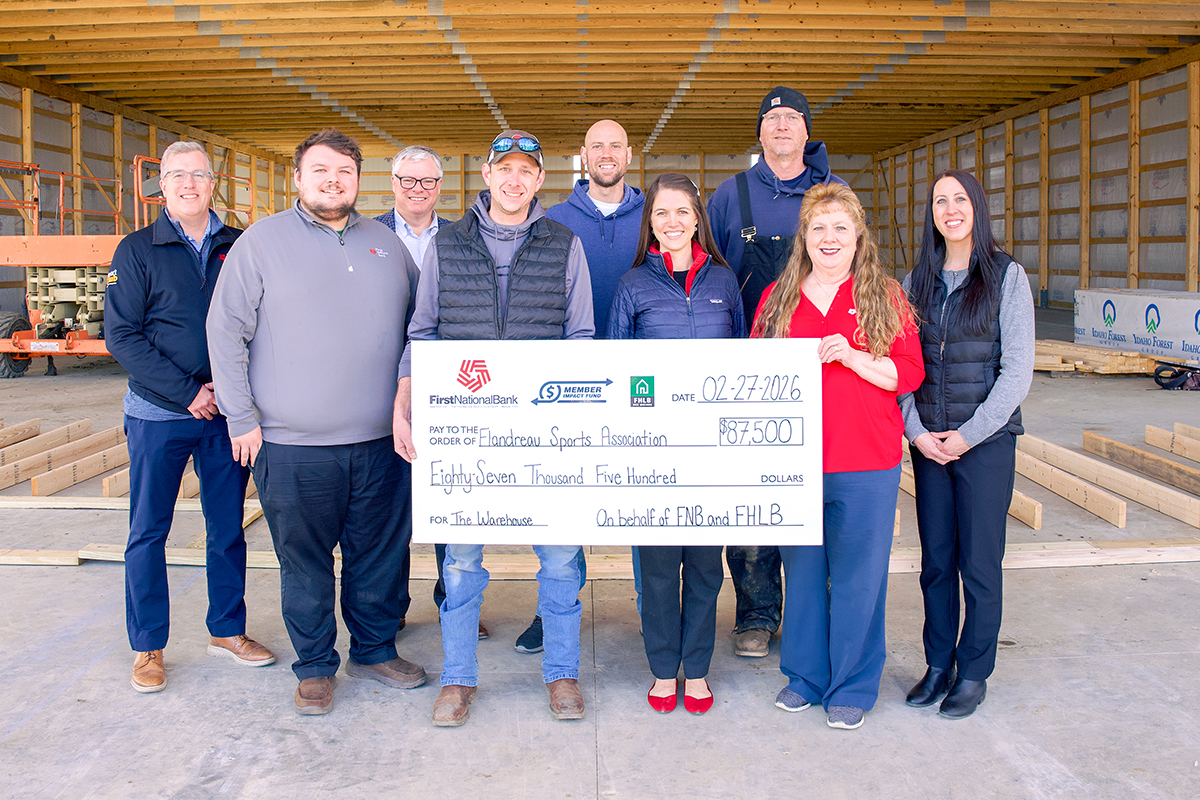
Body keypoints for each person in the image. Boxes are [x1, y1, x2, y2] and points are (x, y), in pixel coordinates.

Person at [207, 128, 424, 716]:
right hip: (291, 443)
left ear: (359, 180)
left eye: (345, 172)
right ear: (298, 178)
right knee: (303, 562)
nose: (334, 181)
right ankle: (315, 667)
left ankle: (375, 650)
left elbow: (420, 331)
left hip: (381, 442)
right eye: (321, 171)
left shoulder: (387, 244)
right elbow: (225, 331)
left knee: (379, 554)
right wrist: (240, 417)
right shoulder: (261, 242)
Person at [393, 130, 595, 727]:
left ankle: (561, 673)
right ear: (487, 174)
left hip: (546, 433)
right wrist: (406, 405)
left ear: (539, 180)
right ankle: (457, 678)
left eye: (525, 171)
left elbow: (581, 338)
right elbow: (422, 332)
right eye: (503, 169)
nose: (513, 180)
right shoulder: (448, 244)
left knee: (560, 560)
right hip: (468, 432)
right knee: (460, 563)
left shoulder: (565, 243)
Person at [106, 140, 275, 694]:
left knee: (226, 527)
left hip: (225, 413)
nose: (187, 184)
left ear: (212, 183)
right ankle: (148, 646)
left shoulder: (240, 244)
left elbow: (261, 322)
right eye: (176, 175)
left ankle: (227, 630)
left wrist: (232, 394)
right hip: (159, 413)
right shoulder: (137, 250)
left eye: (198, 175)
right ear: (161, 184)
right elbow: (121, 336)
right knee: (148, 530)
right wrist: (187, 393)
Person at [754, 182, 923, 730]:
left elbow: (908, 373)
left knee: (858, 576)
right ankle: (804, 676)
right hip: (796, 460)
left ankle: (852, 684)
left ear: (858, 238)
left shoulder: (885, 296)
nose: (829, 238)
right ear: (804, 236)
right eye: (818, 228)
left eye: (840, 229)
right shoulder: (778, 298)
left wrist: (852, 357)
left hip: (867, 461)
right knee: (802, 573)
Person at [706, 86, 846, 658]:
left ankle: (819, 610)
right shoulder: (730, 195)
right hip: (750, 368)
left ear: (806, 131)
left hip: (823, 369)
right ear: (759, 132)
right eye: (772, 119)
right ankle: (756, 614)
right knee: (752, 498)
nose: (782, 127)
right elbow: (712, 272)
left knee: (820, 494)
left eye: (792, 119)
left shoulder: (831, 195)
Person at [899, 168, 1035, 719]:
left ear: (977, 207)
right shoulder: (917, 280)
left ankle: (974, 670)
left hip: (985, 445)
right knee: (936, 561)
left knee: (979, 563)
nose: (949, 209)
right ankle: (938, 663)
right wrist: (917, 433)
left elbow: (1017, 369)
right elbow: (902, 363)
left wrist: (969, 435)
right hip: (929, 444)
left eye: (959, 199)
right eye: (939, 201)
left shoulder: (1007, 277)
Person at [607, 173, 743, 715]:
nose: (672, 222)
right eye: (661, 213)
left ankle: (699, 669)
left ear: (697, 219)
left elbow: (743, 361)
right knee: (660, 567)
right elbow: (614, 369)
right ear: (651, 223)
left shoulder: (725, 282)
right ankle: (665, 670)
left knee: (706, 567)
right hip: (653, 452)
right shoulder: (632, 286)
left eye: (682, 212)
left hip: (710, 453)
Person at [539, 118, 645, 652]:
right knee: (567, 499)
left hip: (642, 388)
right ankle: (558, 603)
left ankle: (654, 605)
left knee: (647, 493)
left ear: (630, 153)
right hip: (571, 384)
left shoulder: (659, 217)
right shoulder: (554, 219)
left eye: (616, 145)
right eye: (596, 145)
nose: (606, 153)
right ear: (583, 155)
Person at [374, 145, 486, 640]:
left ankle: (454, 603)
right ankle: (392, 606)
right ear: (392, 183)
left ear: (440, 187)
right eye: (407, 180)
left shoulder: (465, 238)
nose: (417, 189)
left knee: (449, 498)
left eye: (427, 182)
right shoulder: (365, 237)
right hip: (381, 382)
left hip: (448, 387)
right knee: (390, 506)